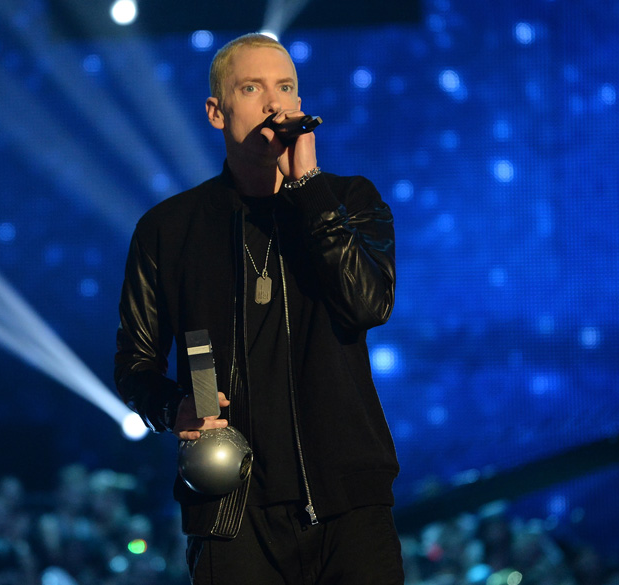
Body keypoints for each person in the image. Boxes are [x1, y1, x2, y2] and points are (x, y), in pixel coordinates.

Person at [114, 32, 404, 584]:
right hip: (231, 507)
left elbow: (369, 304)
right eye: (252, 87)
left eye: (286, 87)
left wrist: (310, 190)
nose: (275, 104)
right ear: (217, 113)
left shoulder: (349, 201)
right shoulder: (168, 229)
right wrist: (173, 405)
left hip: (347, 503)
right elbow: (135, 362)